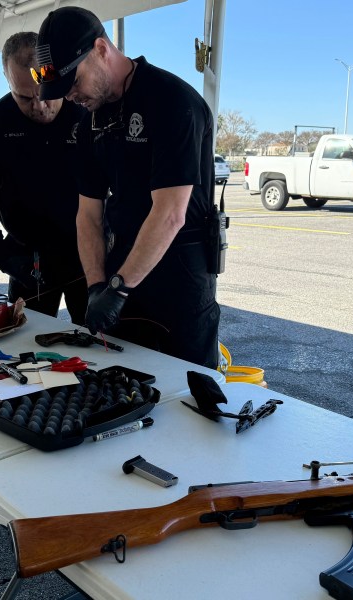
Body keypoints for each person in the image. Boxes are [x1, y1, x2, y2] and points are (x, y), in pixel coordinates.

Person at [34, 7, 220, 369]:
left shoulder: (171, 102)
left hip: (179, 280)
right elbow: (88, 214)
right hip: (121, 277)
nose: (70, 96)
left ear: (102, 49)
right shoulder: (91, 122)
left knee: (188, 398)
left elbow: (170, 214)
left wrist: (117, 289)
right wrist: (96, 287)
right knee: (121, 388)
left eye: (74, 82)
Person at [0, 31, 87, 323]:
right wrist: (4, 259)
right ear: (6, 78)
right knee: (26, 350)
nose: (39, 106)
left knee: (99, 346)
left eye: (46, 93)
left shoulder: (84, 111)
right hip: (29, 261)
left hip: (88, 257)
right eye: (24, 97)